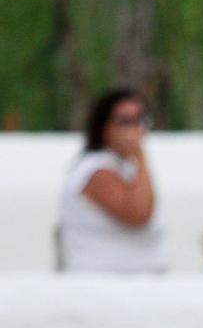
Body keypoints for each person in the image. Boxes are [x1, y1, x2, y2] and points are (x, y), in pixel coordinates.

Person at [57, 89, 165, 274]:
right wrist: (140, 155)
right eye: (126, 122)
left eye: (140, 120)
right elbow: (138, 213)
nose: (136, 129)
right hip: (104, 285)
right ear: (103, 126)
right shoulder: (96, 171)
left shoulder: (124, 168)